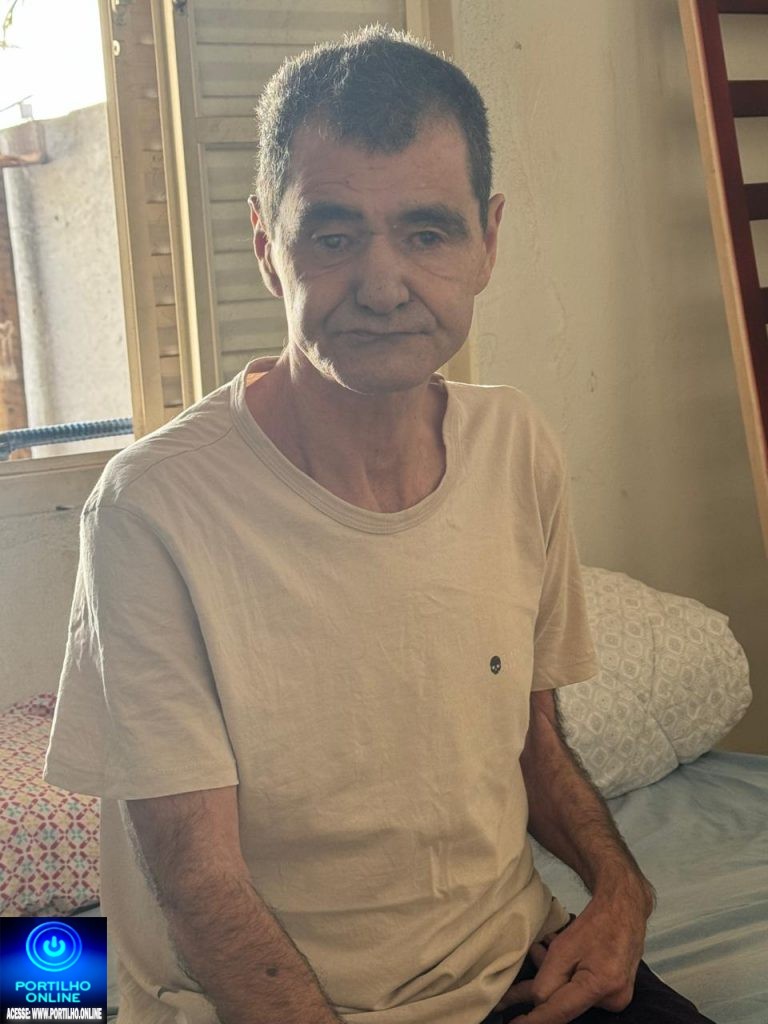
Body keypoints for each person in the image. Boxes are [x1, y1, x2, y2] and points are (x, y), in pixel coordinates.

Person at [44, 26, 716, 1024]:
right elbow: (198, 882)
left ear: (488, 239)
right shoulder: (154, 507)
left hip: (516, 968)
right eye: (333, 235)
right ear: (266, 244)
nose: (384, 284)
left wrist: (621, 894)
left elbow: (528, 737)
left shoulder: (516, 446)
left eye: (428, 233)